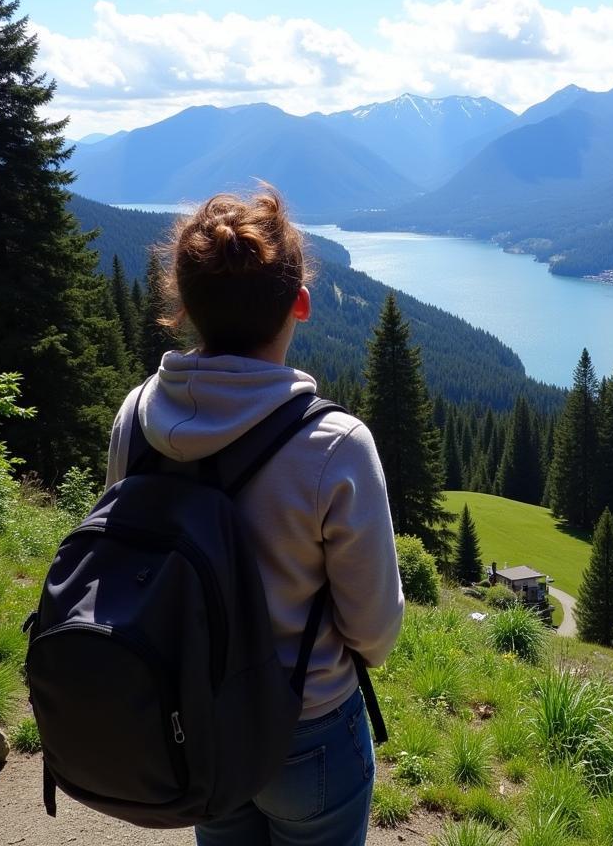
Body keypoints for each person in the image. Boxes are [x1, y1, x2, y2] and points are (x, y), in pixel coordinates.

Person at [104, 185, 404, 846]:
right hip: (310, 730)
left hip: (193, 716)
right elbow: (376, 633)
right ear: (300, 303)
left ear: (184, 308)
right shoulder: (333, 445)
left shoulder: (136, 418)